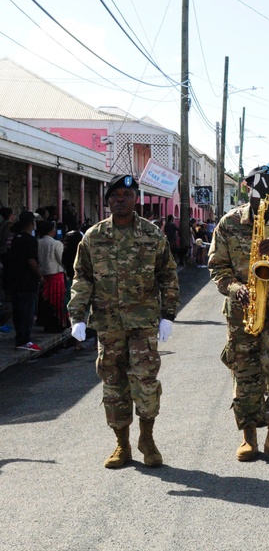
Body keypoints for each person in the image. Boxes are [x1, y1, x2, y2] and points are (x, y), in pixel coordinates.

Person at [68, 175, 180, 468]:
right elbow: (83, 278)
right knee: (114, 384)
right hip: (109, 324)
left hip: (143, 323)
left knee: (145, 381)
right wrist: (77, 316)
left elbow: (167, 275)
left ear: (136, 199)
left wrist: (168, 314)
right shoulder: (93, 237)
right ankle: (122, 444)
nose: (121, 199)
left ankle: (147, 439)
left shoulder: (153, 235)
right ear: (107, 201)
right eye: (115, 195)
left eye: (127, 194)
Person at [208, 166, 269, 465]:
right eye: (256, 185)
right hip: (242, 310)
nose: (262, 191)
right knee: (245, 375)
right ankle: (248, 435)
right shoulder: (229, 222)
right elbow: (217, 267)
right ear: (246, 186)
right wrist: (235, 288)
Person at [5, 212, 41, 350]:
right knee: (27, 312)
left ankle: (20, 338)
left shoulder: (14, 239)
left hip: (15, 280)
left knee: (18, 311)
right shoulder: (30, 240)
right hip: (27, 281)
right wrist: (40, 276)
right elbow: (31, 262)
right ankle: (25, 340)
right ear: (31, 223)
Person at [35, 220, 67, 333]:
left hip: (43, 275)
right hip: (56, 275)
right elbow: (62, 260)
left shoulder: (37, 242)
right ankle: (58, 323)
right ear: (51, 231)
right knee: (57, 301)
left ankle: (46, 323)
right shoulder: (56, 244)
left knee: (46, 301)